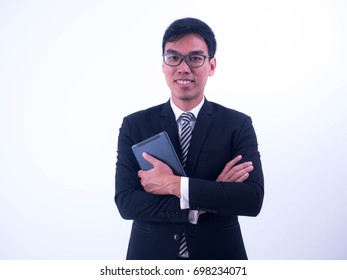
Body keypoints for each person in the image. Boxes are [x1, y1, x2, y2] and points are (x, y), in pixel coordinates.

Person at [115, 17, 264, 260]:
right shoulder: (135, 125)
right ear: (163, 64)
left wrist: (174, 185)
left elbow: (251, 200)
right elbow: (127, 203)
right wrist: (207, 198)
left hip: (219, 258)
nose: (183, 68)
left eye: (195, 58)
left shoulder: (238, 124)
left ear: (212, 65)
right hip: (151, 258)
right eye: (173, 57)